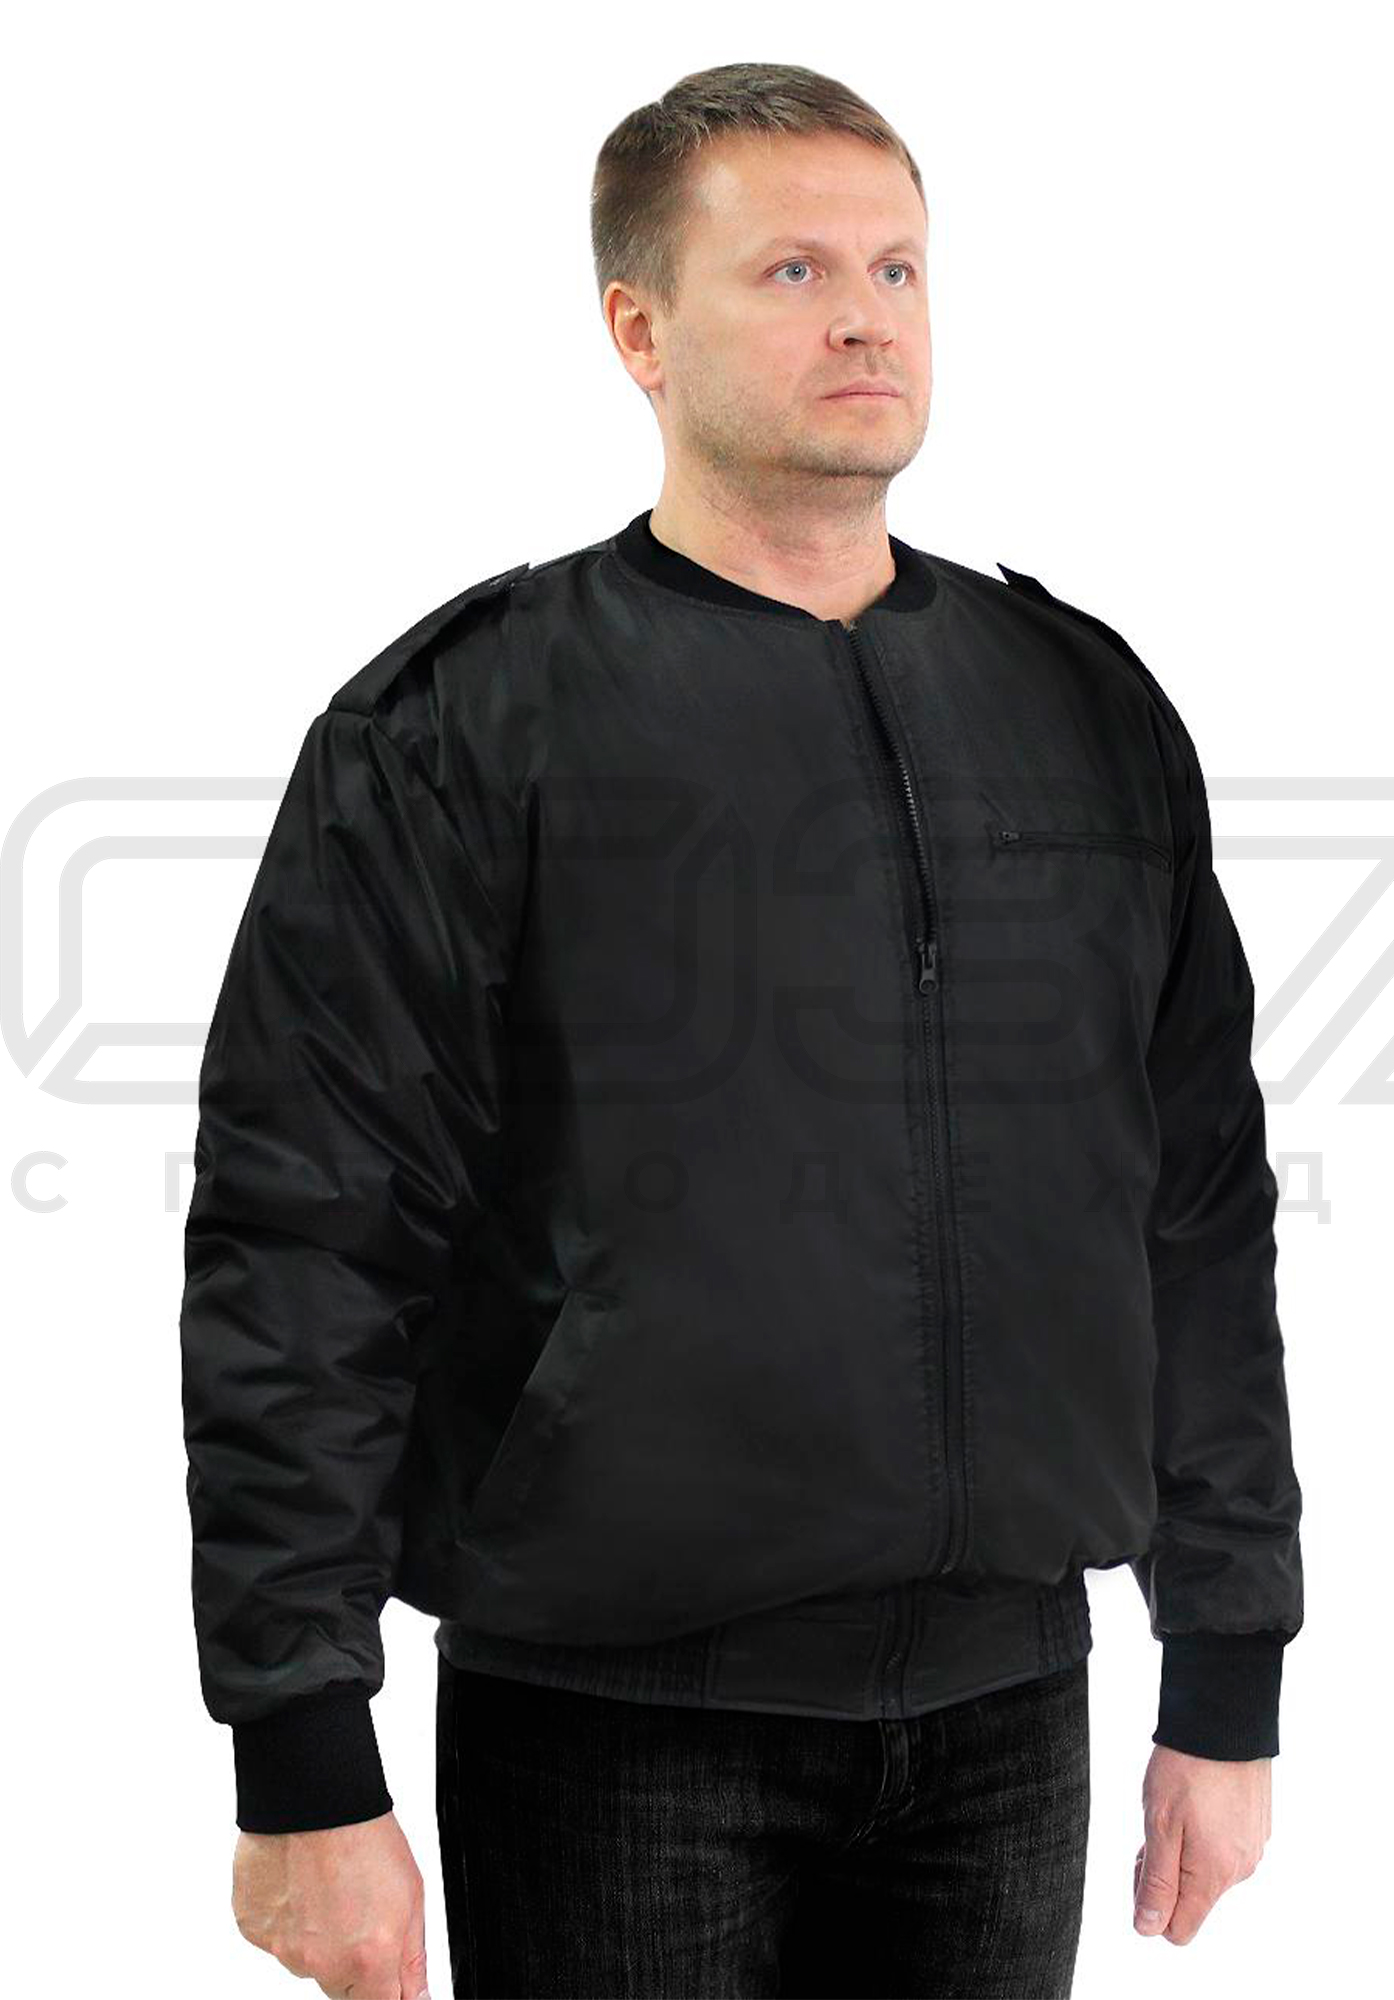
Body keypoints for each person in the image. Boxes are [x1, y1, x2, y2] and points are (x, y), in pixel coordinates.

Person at [180, 60, 1304, 2000]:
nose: (865, 316)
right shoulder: (469, 723)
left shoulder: (1078, 703)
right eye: (792, 270)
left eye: (897, 268)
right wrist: (301, 1754)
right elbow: (307, 1239)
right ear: (639, 329)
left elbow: (1196, 1203)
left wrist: (1227, 1664)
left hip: (1008, 1711)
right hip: (619, 1724)